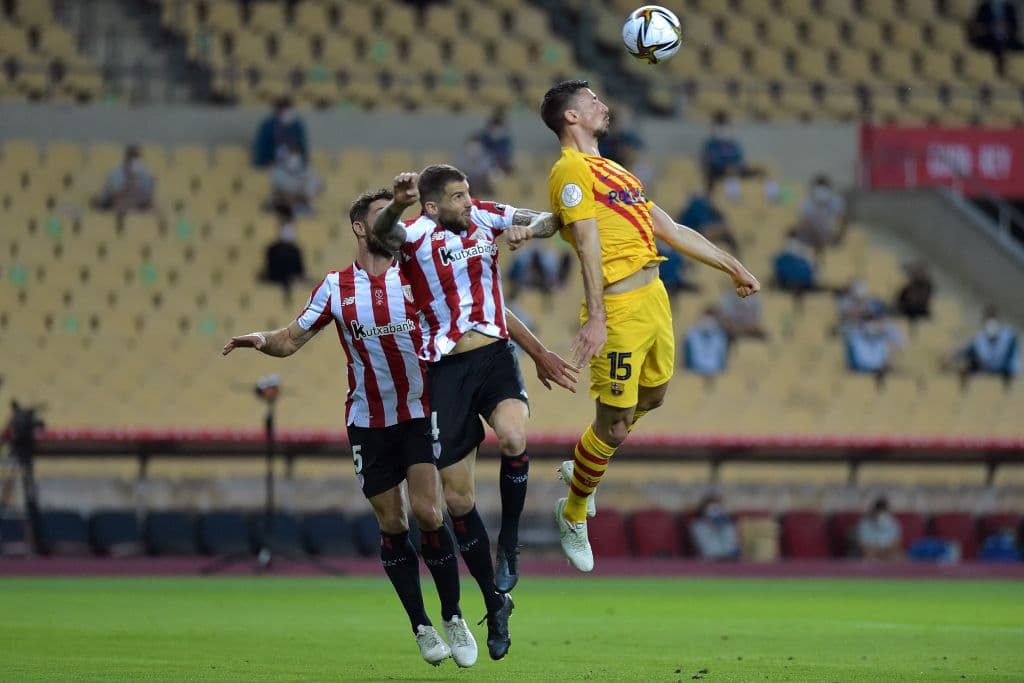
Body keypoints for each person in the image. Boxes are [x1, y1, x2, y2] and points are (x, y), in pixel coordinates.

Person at [222, 188, 476, 668]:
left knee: (428, 512)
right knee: (392, 522)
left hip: (420, 411)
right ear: (361, 227)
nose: (393, 223)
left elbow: (462, 318)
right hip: (368, 420)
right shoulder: (336, 287)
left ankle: (453, 615)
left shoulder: (416, 277)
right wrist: (260, 339)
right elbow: (291, 338)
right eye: (384, 216)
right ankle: (421, 625)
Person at [540, 80, 760, 572]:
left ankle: (583, 464)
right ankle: (573, 510)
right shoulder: (570, 171)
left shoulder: (615, 170)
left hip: (655, 299)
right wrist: (597, 316)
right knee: (615, 424)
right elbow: (587, 241)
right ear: (570, 118)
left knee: (653, 397)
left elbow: (672, 229)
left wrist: (731, 265)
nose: (603, 104)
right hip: (617, 310)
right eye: (592, 100)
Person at [372, 165, 578, 659]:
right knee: (457, 502)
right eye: (459, 196)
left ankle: (509, 543)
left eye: (468, 194)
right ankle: (494, 600)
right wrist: (398, 204)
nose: (469, 201)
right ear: (433, 206)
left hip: (494, 358)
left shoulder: (485, 217)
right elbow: (384, 233)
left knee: (513, 438)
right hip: (445, 372)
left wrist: (534, 227)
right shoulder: (416, 235)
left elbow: (548, 220)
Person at [950, 305, 1020, 383]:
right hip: (987, 372)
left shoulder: (1009, 337)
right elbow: (968, 351)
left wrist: (988, 367)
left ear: (998, 320)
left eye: (992, 319)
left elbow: (1010, 362)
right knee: (966, 367)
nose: (990, 323)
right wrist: (954, 356)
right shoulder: (980, 339)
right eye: (987, 320)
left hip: (1005, 374)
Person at [260, 204, 308, 302]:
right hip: (277, 270)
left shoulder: (295, 250)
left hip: (288, 260)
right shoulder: (273, 249)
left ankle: (290, 281)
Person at [93, 144, 155, 213]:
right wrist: (127, 187)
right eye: (132, 156)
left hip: (137, 208)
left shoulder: (145, 176)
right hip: (116, 208)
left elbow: (148, 198)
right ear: (126, 158)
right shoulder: (116, 174)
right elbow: (112, 196)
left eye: (137, 157)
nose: (134, 160)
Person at [968, 0, 1023, 76]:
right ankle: (1000, 71)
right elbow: (978, 25)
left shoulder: (1010, 8)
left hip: (1006, 37)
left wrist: (1005, 28)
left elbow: (1014, 26)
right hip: (989, 37)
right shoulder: (984, 7)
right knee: (996, 46)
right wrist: (992, 27)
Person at [252, 96, 308, 168]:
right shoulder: (268, 126)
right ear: (277, 110)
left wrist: (303, 162)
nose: (285, 111)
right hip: (272, 162)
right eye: (282, 108)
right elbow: (261, 147)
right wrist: (263, 163)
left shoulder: (296, 125)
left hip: (294, 162)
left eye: (287, 108)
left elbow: (302, 146)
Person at [795, 174, 846, 252]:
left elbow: (842, 220)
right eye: (819, 189)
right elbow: (804, 223)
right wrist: (816, 236)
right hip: (810, 237)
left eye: (824, 189)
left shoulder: (835, 201)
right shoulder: (806, 202)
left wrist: (838, 236)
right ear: (813, 189)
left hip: (830, 236)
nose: (821, 193)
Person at [269, 143, 322, 216]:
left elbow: (312, 191)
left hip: (301, 208)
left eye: (296, 153)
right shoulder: (278, 173)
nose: (294, 157)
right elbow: (282, 193)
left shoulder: (306, 171)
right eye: (291, 153)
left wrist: (301, 194)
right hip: (284, 209)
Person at [689, 494, 739, 560]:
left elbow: (731, 548)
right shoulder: (698, 526)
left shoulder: (728, 526)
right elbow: (709, 551)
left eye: (718, 509)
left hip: (729, 561)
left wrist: (723, 527)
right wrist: (712, 526)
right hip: (709, 561)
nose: (716, 512)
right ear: (704, 510)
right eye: (713, 509)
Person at [682, 308, 729, 376]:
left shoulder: (720, 336)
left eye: (711, 319)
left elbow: (722, 359)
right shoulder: (690, 335)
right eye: (706, 318)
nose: (708, 321)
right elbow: (686, 358)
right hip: (694, 372)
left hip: (715, 371)